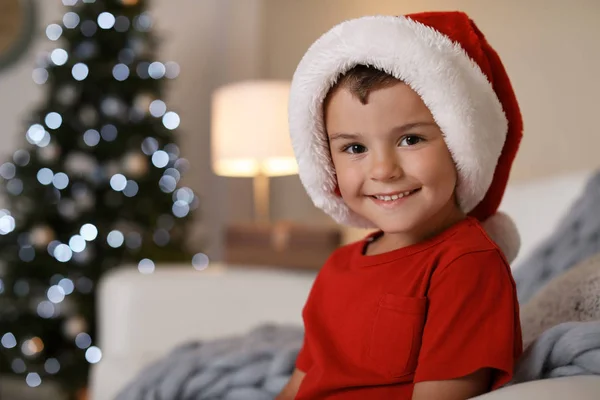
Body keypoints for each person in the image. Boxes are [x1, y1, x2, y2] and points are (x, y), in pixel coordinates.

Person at [277, 10, 524, 400]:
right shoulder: (337, 268)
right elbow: (299, 385)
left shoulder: (467, 264)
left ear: (461, 144)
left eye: (410, 139)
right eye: (354, 148)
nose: (383, 170)